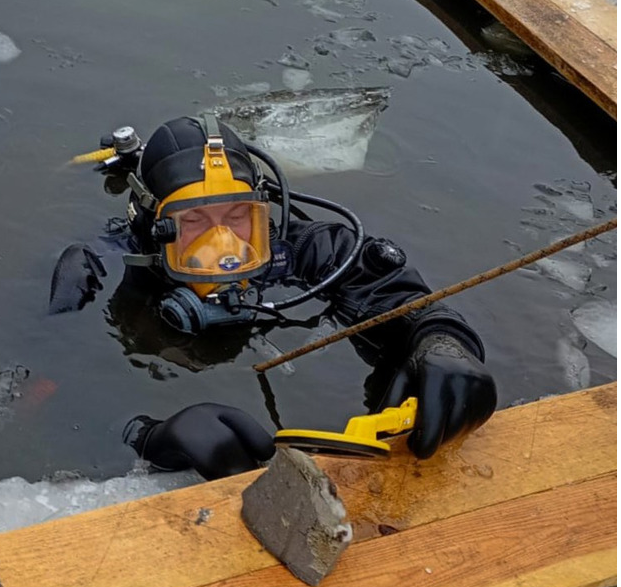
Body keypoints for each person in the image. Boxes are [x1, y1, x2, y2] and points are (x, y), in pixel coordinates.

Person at [51, 114, 497, 480]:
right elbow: (52, 375)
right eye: (194, 222)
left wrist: (442, 342)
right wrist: (142, 434)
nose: (223, 244)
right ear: (155, 225)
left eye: (237, 216)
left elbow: (399, 298)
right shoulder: (99, 269)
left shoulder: (303, 251)